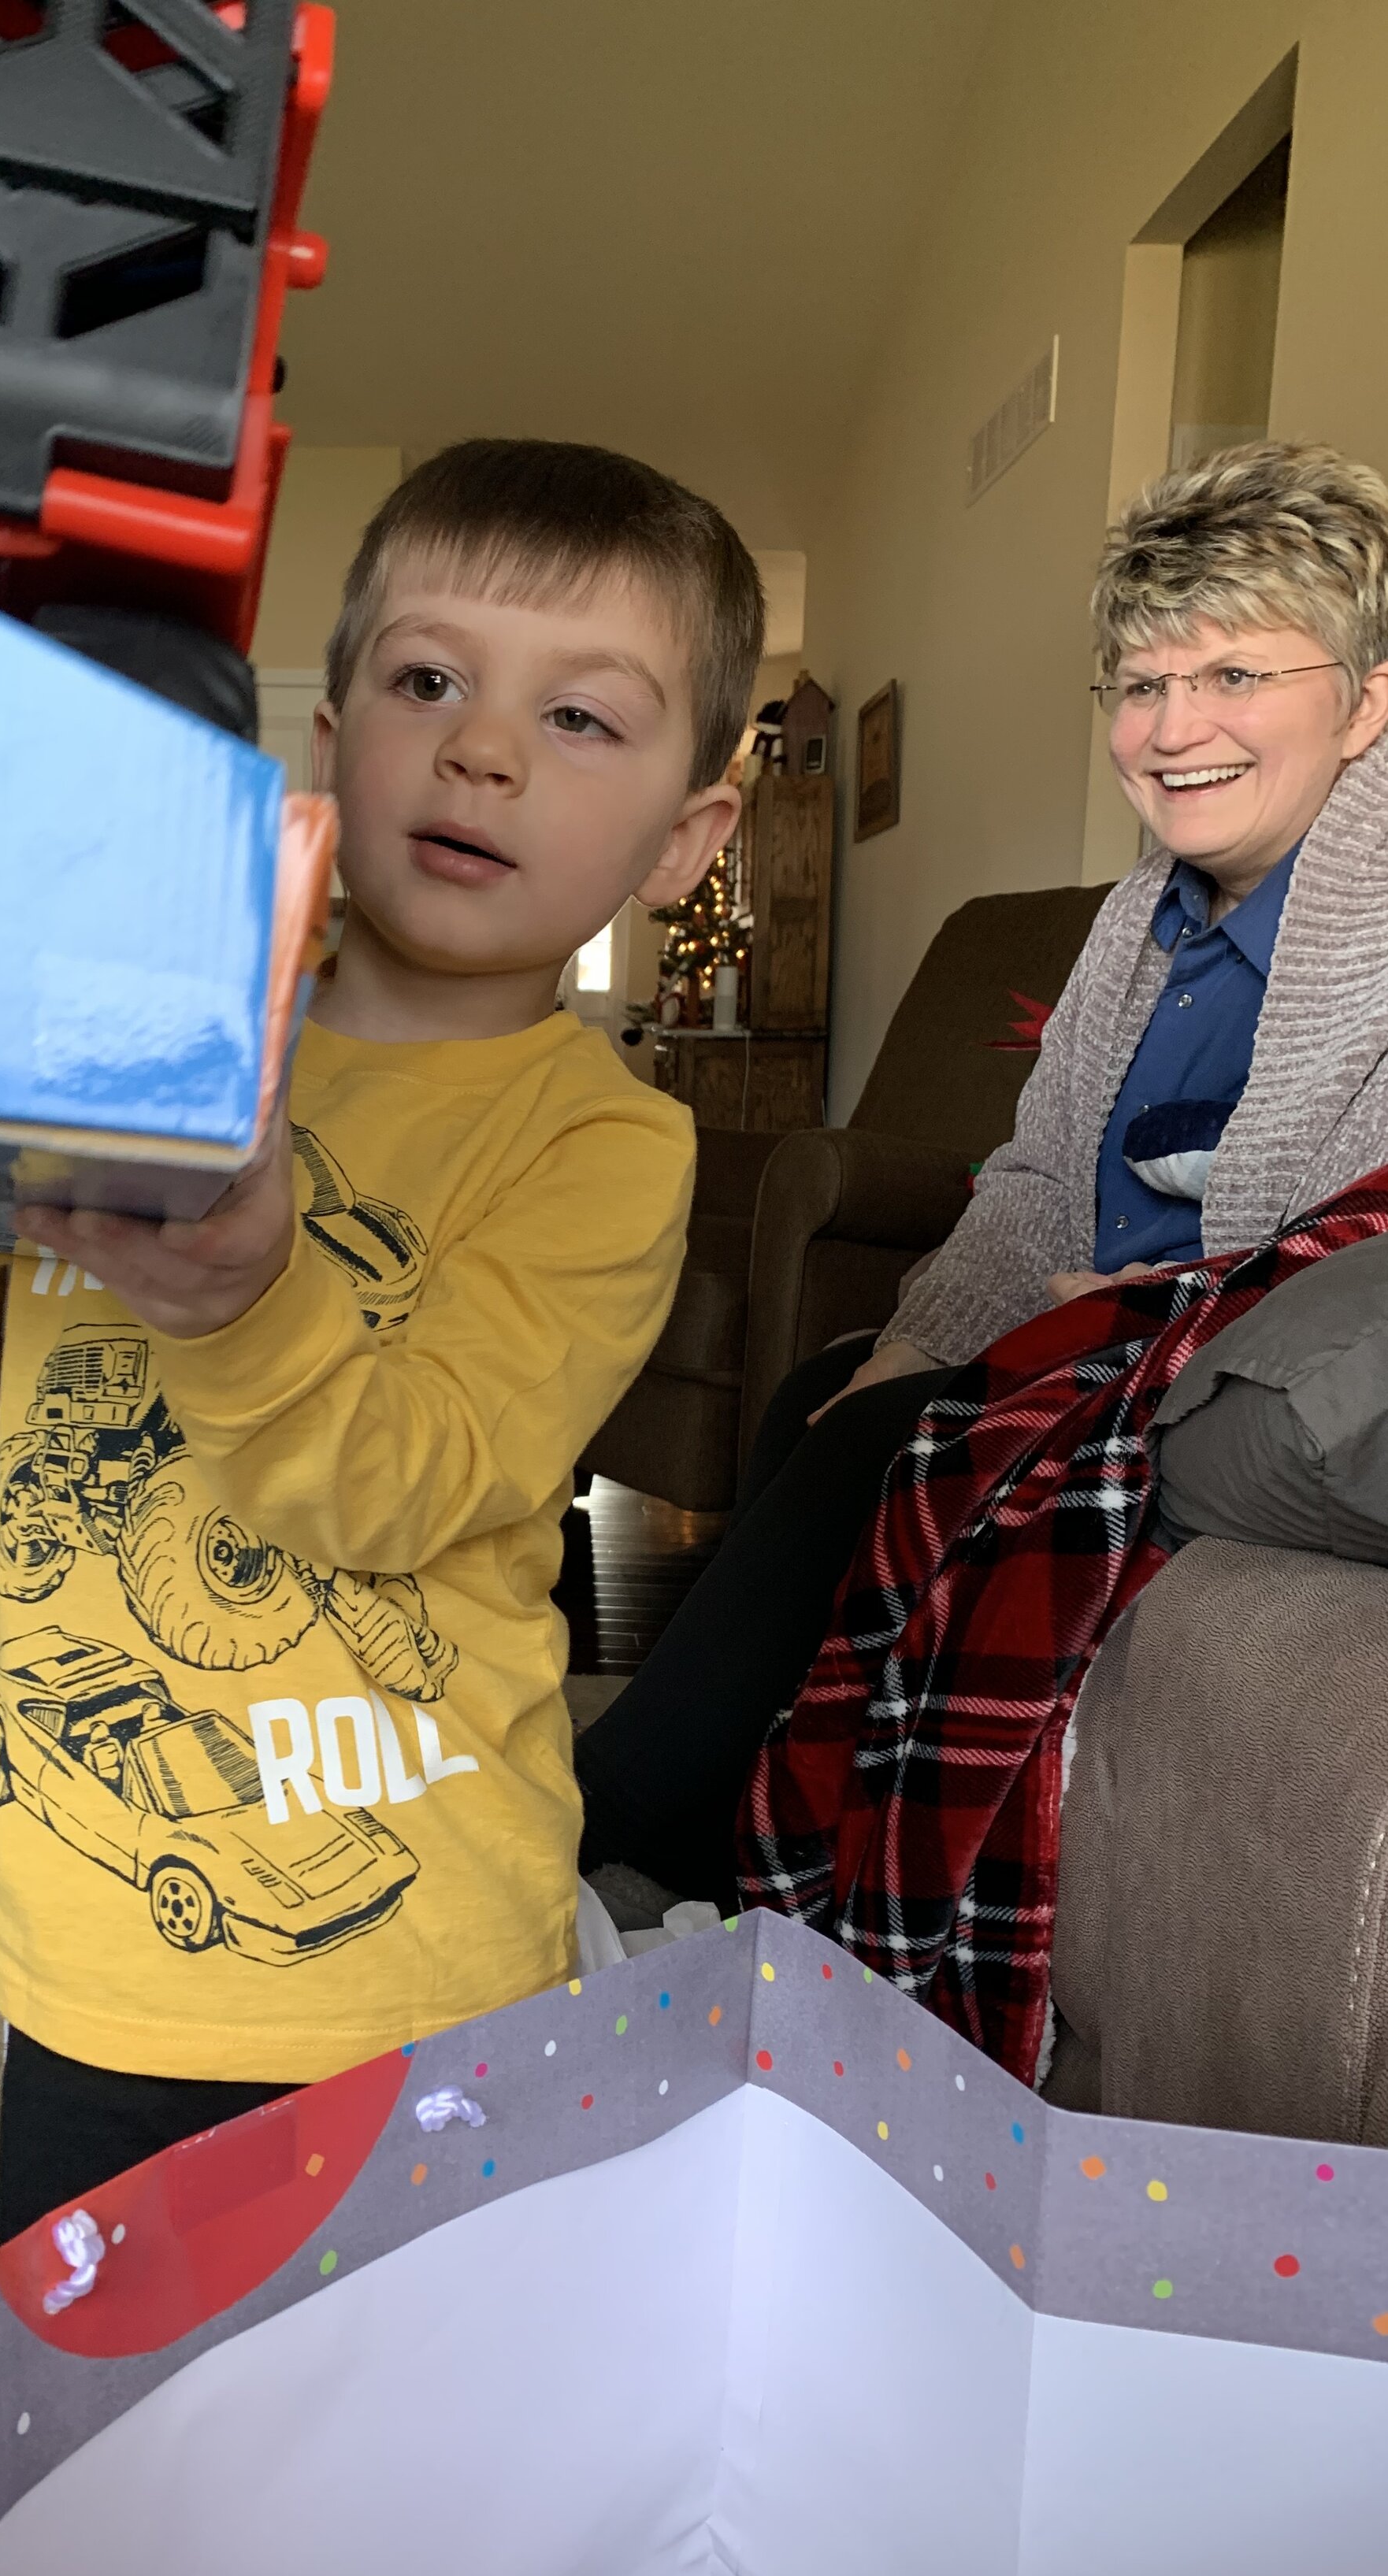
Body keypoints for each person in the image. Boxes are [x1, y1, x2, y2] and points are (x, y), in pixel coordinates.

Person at [0, 439, 763, 2234]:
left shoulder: (599, 1140)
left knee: (401, 2452)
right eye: (427, 679)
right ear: (331, 739)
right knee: (88, 2445)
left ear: (685, 833)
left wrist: (244, 1292)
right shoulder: (162, 1016)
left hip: (414, 1968)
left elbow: (410, 1481)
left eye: (582, 719)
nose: (480, 748)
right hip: (84, 1942)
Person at [578, 437, 1388, 1912]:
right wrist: (908, 1337)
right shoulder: (1139, 920)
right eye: (1141, 685)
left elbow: (1355, 1242)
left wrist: (1148, 1309)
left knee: (876, 1440)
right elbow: (1028, 1177)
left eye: (1236, 677)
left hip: (1205, 1363)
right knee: (824, 1396)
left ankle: (598, 1826)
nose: (1173, 726)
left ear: (1365, 702)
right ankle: (738, 1859)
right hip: (1079, 1340)